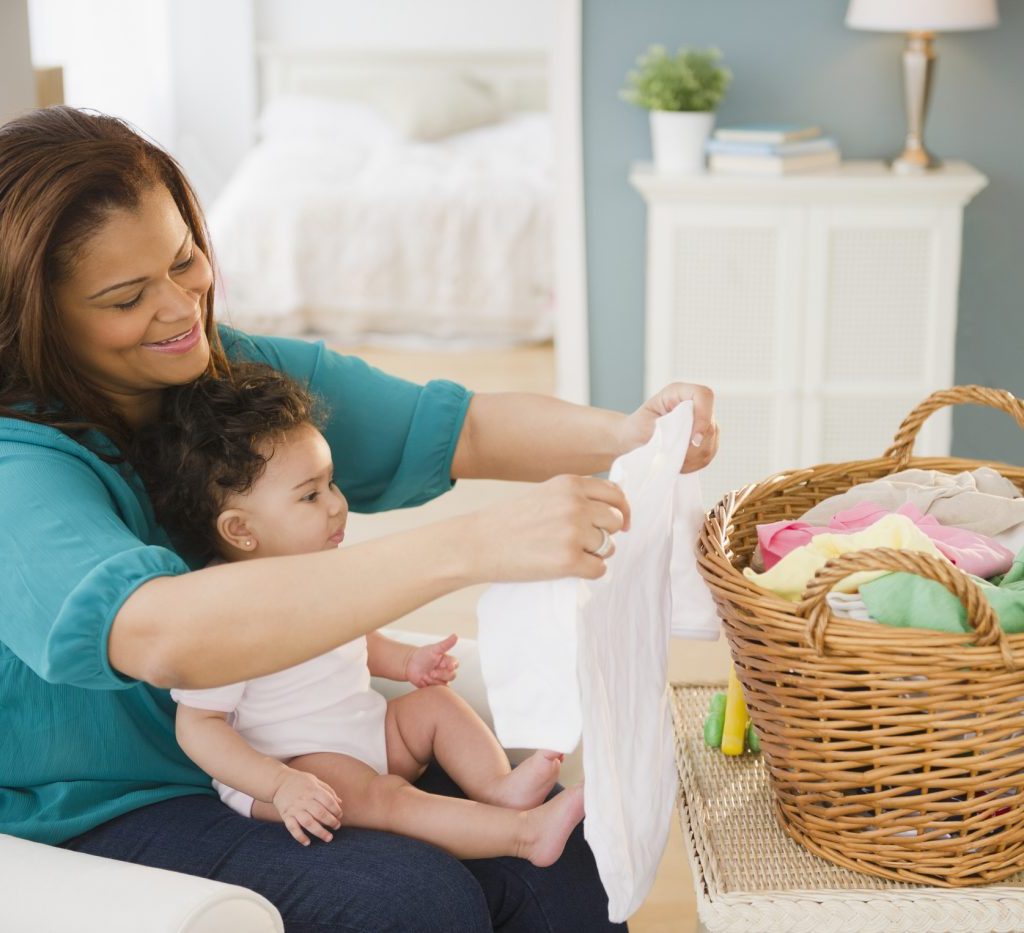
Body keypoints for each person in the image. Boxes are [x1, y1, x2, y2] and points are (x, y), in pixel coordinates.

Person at [0, 106, 718, 932]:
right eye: (128, 297)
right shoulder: (19, 471)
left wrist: (631, 432)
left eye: (185, 258)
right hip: (112, 801)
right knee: (412, 901)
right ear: (36, 316)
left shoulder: (224, 375)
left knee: (572, 872)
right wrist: (473, 545)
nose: (179, 306)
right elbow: (158, 632)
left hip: (282, 739)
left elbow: (456, 427)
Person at [134, 362, 582, 863]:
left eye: (332, 484)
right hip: (302, 763)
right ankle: (523, 835)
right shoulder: (220, 612)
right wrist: (280, 783)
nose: (337, 506)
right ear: (240, 530)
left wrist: (406, 663)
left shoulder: (323, 571)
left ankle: (499, 788)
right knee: (388, 800)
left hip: (368, 731)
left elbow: (353, 637)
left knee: (435, 706)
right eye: (309, 495)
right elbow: (199, 726)